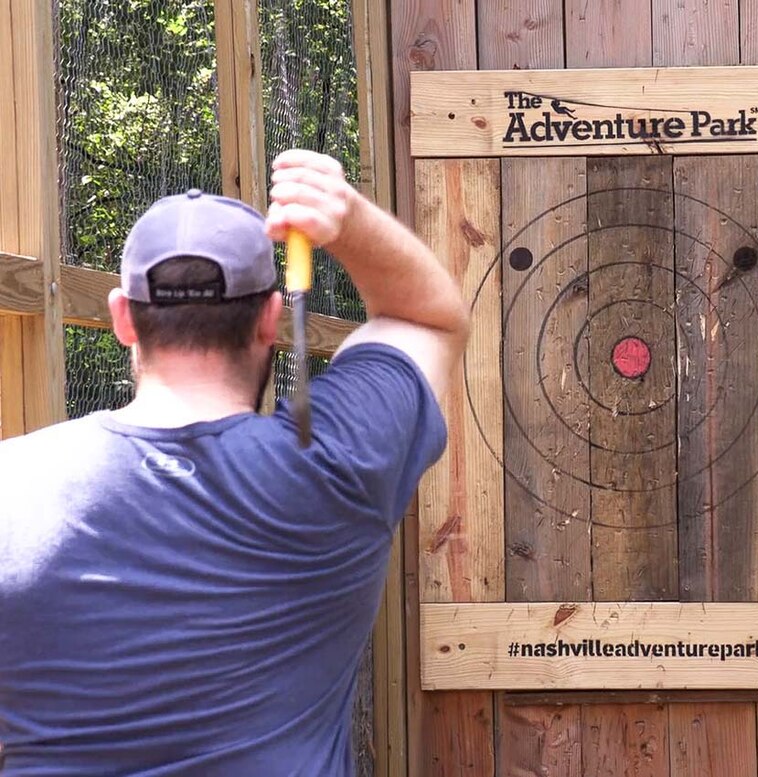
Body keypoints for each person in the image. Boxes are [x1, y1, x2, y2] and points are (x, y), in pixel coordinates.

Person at [0, 149, 469, 775]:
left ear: (122, 319)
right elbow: (427, 320)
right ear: (271, 320)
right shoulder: (337, 466)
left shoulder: (12, 486)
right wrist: (347, 217)